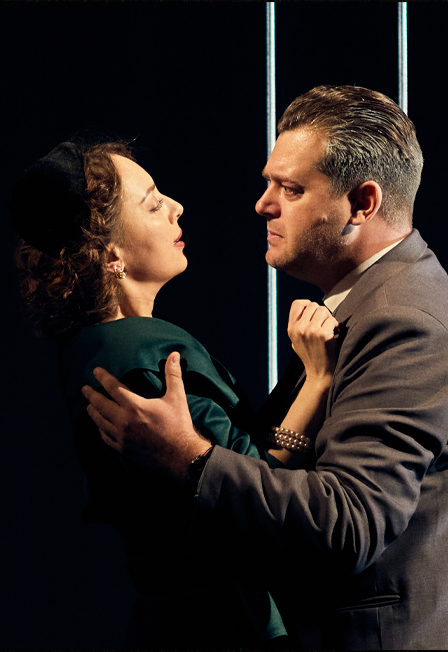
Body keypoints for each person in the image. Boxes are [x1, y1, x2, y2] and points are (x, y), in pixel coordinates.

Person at [84, 85, 448, 651]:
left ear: (363, 204)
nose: (263, 205)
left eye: (291, 189)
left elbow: (350, 524)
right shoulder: (366, 303)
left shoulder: (404, 320)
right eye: (268, 182)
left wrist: (189, 458)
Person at [9, 137, 339, 648]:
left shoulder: (97, 348)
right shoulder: (144, 361)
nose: (176, 207)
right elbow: (257, 487)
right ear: (110, 254)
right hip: (221, 627)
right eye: (152, 203)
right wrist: (317, 380)